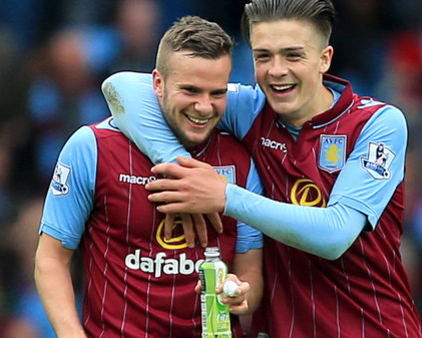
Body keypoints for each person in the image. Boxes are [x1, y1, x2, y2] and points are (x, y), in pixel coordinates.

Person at [104, 0, 422, 336]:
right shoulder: (253, 109)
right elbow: (122, 86)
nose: (276, 70)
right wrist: (181, 169)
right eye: (263, 56)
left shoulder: (378, 123)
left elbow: (336, 234)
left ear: (324, 59)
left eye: (293, 55)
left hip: (373, 328)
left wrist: (224, 196)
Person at [34, 16, 263, 337]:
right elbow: (51, 259)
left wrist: (241, 294)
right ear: (157, 83)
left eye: (217, 93)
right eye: (191, 90)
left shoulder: (240, 161)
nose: (204, 106)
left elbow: (250, 272)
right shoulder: (91, 149)